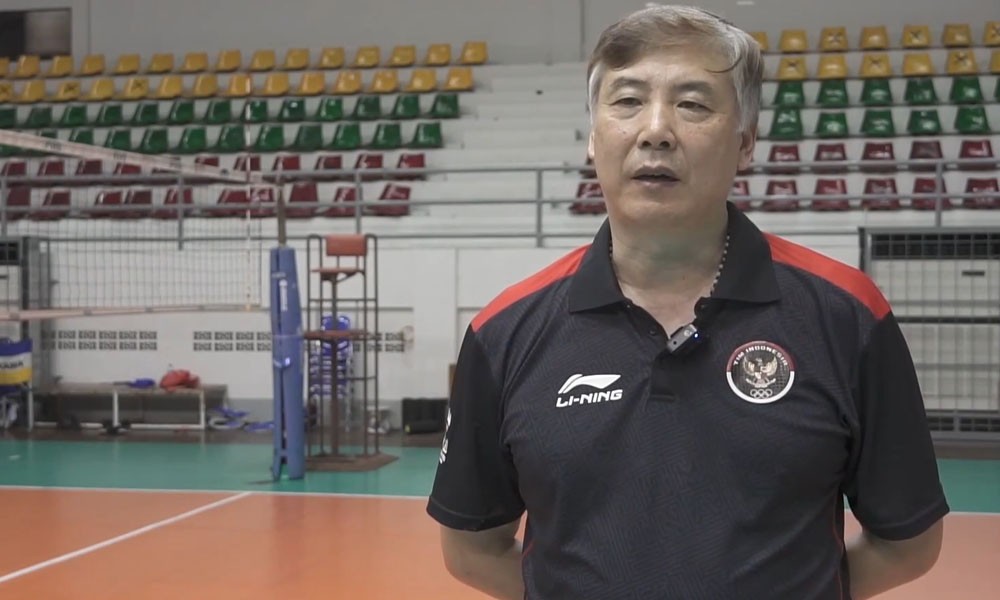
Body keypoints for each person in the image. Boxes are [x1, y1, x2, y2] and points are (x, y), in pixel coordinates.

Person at [426, 5, 949, 599]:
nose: (656, 130)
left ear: (745, 141)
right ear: (594, 139)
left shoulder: (848, 315)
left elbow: (907, 545)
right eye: (627, 101)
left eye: (694, 104)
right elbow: (471, 549)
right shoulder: (504, 332)